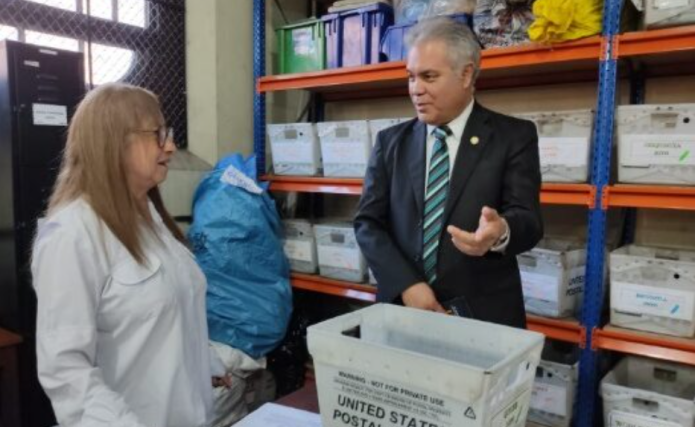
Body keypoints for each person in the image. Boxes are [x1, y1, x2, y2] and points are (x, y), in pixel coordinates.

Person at [31, 83, 227, 427]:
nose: (170, 145)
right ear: (113, 141)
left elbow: (169, 309)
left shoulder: (149, 217)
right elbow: (65, 369)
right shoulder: (70, 234)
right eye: (158, 133)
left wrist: (204, 363)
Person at [355, 17, 543, 328]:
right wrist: (407, 285)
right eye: (411, 77)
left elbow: (529, 220)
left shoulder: (513, 137)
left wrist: (501, 232)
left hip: (483, 316)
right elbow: (367, 223)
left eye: (429, 77)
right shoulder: (390, 143)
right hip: (405, 310)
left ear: (466, 74)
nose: (416, 89)